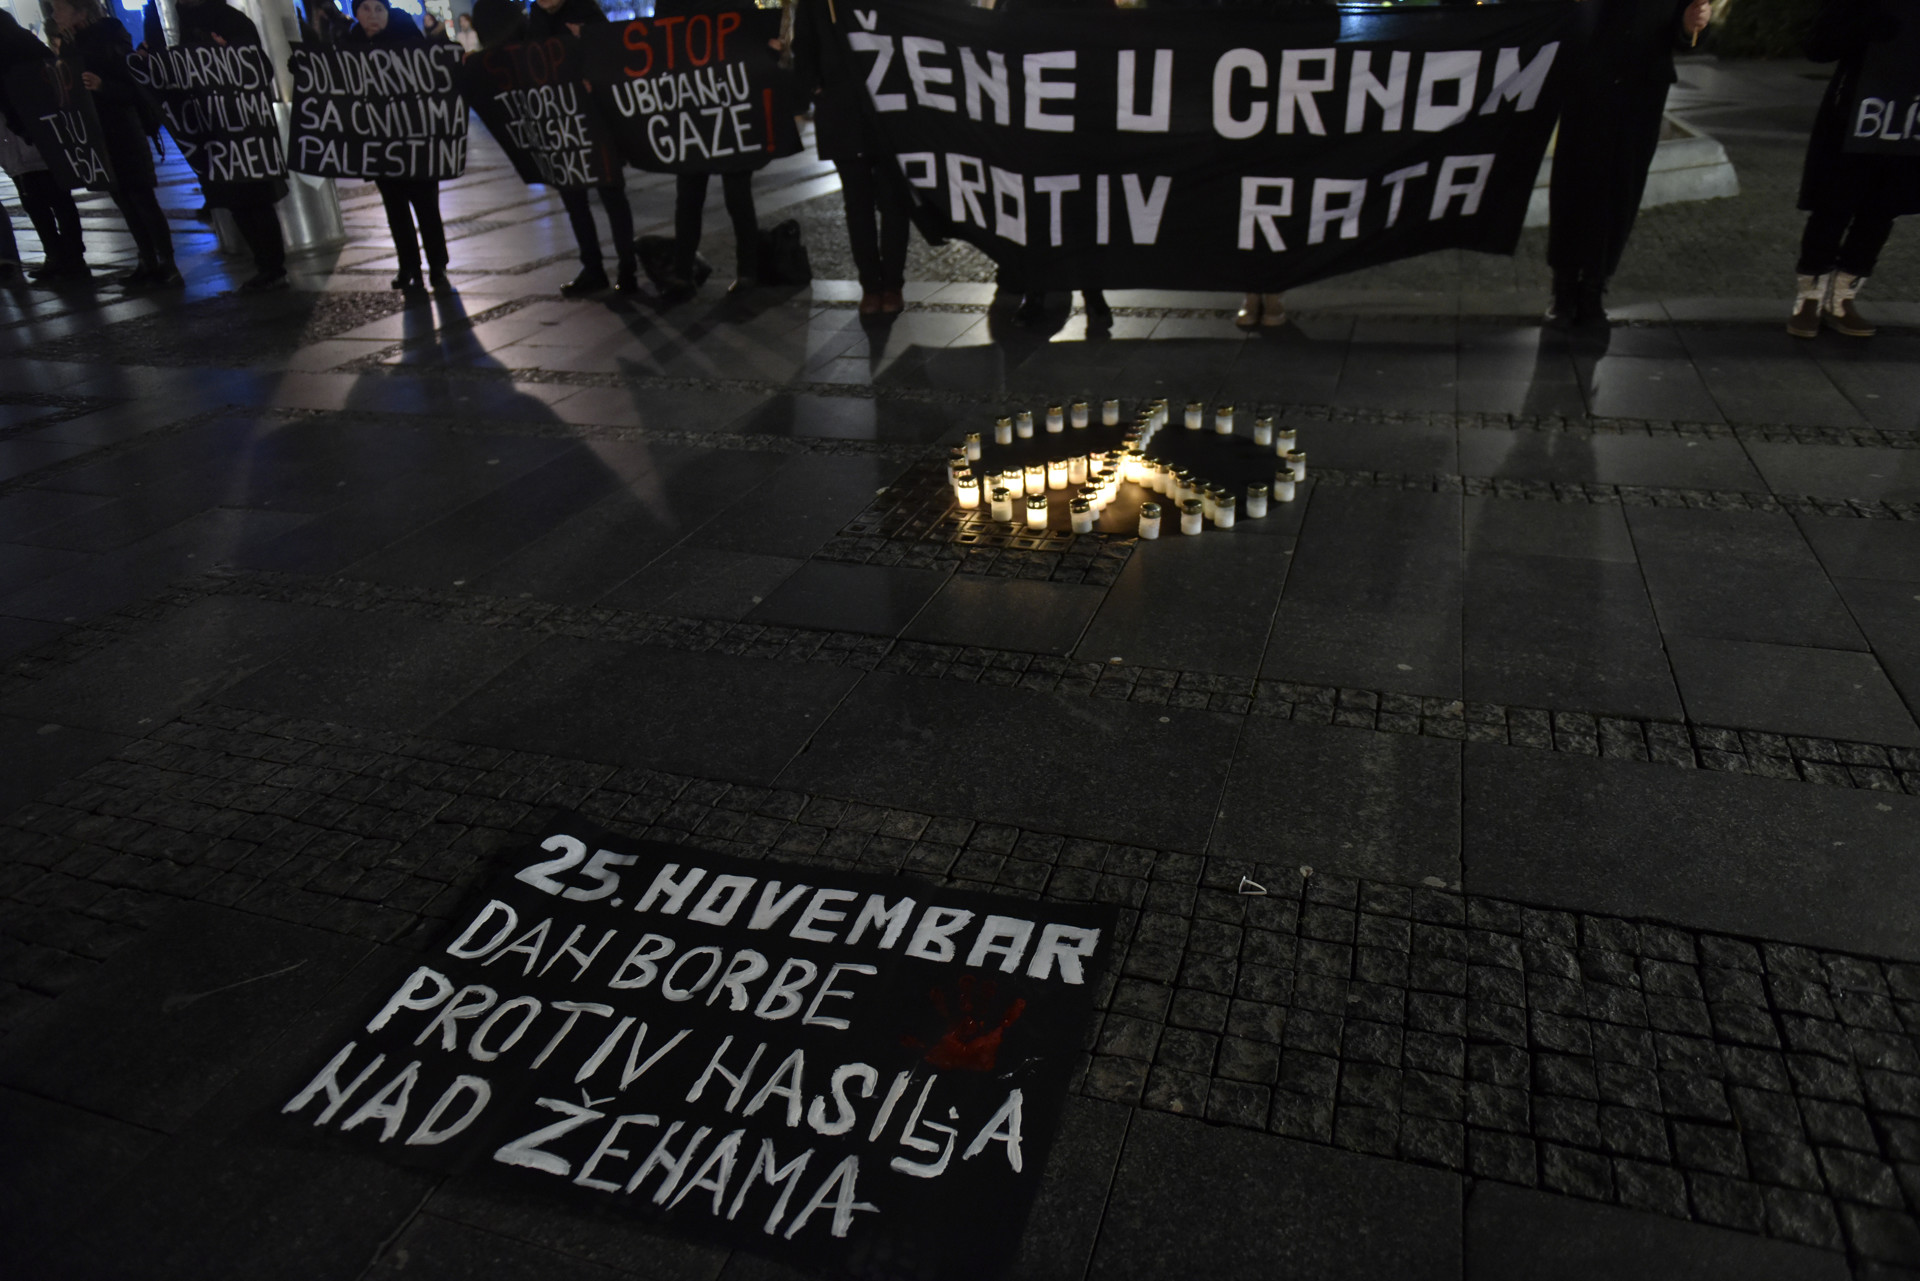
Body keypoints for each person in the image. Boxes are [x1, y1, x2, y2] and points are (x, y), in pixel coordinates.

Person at [1545, 0, 1712, 325]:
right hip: (1588, 80)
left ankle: (1595, 284)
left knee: (1623, 187)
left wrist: (1692, 26)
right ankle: (1564, 285)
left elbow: (1687, 27)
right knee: (1574, 182)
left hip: (1643, 87)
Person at [1787, 0, 1918, 339]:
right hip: (1851, 118)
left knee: (1881, 211)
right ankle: (1809, 298)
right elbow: (1817, 47)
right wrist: (1861, 23)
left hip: (1906, 121)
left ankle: (1842, 298)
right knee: (1832, 208)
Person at [49, 0, 178, 288]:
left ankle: (166, 262)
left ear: (81, 11)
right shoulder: (70, 46)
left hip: (122, 130)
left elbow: (135, 88)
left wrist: (102, 86)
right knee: (124, 201)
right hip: (96, 135)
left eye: (60, 8)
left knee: (141, 198)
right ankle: (147, 259)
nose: (55, 15)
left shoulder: (110, 36)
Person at [794, 0, 908, 315]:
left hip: (889, 109)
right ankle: (871, 286)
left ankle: (893, 284)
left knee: (894, 202)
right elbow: (804, 46)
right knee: (857, 205)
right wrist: (816, 87)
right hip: (843, 112)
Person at [654, 0, 767, 295]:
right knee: (692, 196)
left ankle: (743, 272)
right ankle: (688, 271)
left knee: (733, 196)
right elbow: (659, 39)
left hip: (725, 107)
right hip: (699, 105)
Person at [175, 0, 289, 290]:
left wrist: (231, 53)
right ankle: (264, 264)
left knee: (257, 201)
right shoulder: (187, 23)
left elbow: (260, 70)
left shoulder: (231, 21)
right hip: (216, 133)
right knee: (237, 204)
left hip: (246, 131)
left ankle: (273, 266)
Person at [525, 0, 637, 295]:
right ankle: (593, 268)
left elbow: (614, 56)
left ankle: (628, 269)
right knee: (574, 200)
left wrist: (590, 47)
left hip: (597, 120)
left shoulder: (587, 12)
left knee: (612, 195)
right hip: (561, 125)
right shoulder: (535, 19)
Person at [346, 0, 450, 289]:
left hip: (415, 141)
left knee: (427, 207)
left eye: (379, 9)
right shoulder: (349, 44)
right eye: (365, 9)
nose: (373, 16)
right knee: (395, 210)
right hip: (380, 144)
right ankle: (408, 266)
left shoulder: (407, 37)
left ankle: (437, 266)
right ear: (356, 13)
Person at [0, 11, 88, 283]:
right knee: (52, 198)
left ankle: (61, 255)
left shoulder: (14, 51)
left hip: (27, 136)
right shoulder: (29, 45)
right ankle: (67, 256)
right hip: (34, 136)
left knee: (41, 199)